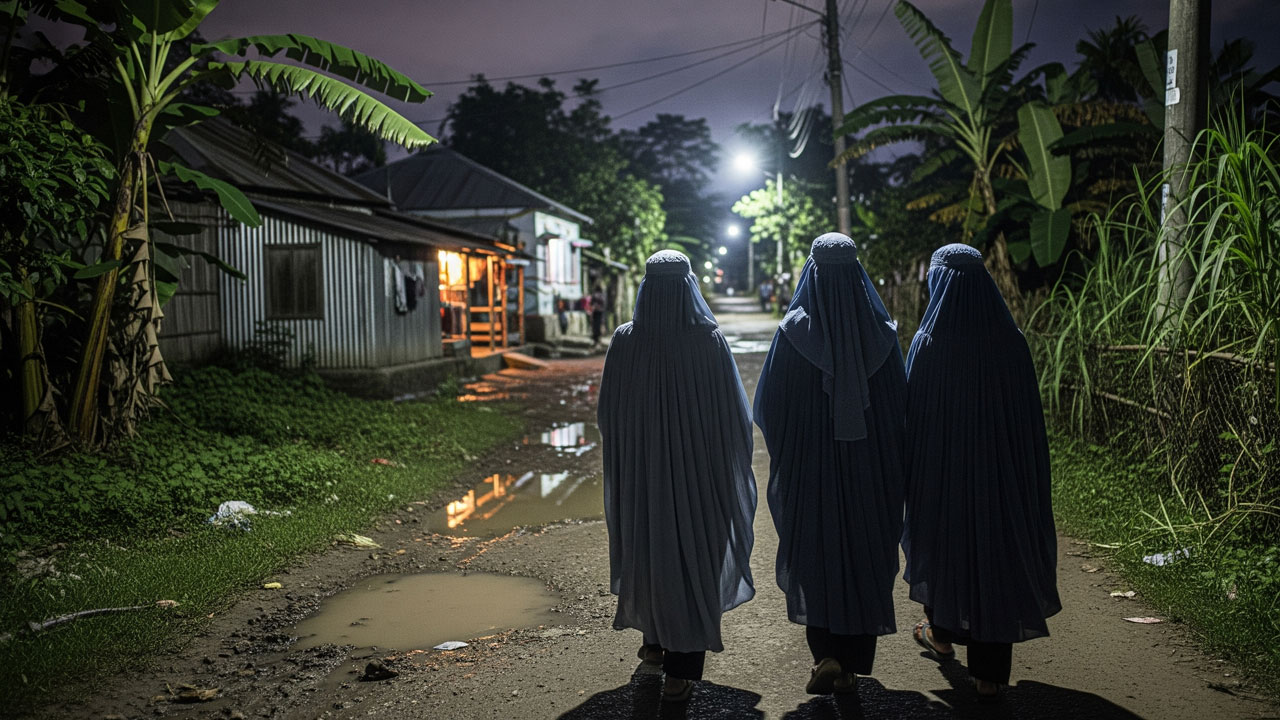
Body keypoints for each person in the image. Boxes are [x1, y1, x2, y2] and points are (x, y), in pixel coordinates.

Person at [597, 250, 757, 703]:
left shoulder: (626, 340)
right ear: (689, 287)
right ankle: (680, 669)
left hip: (642, 475)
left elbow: (607, 413)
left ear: (647, 289)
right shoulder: (708, 342)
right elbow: (734, 417)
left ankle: (653, 645)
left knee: (649, 549)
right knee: (693, 555)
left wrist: (635, 456)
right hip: (699, 476)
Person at [902, 243, 1060, 701]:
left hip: (944, 474)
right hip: (1001, 474)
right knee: (996, 553)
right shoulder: (1011, 341)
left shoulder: (929, 343)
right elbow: (1029, 418)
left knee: (946, 545)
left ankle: (941, 633)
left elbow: (913, 414)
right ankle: (989, 674)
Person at [754, 233, 906, 695]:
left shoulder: (792, 334)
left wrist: (797, 449)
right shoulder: (882, 335)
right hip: (870, 469)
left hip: (811, 471)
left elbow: (768, 407)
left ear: (810, 272)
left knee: (816, 552)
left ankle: (825, 655)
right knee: (865, 548)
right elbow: (902, 407)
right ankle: (852, 660)